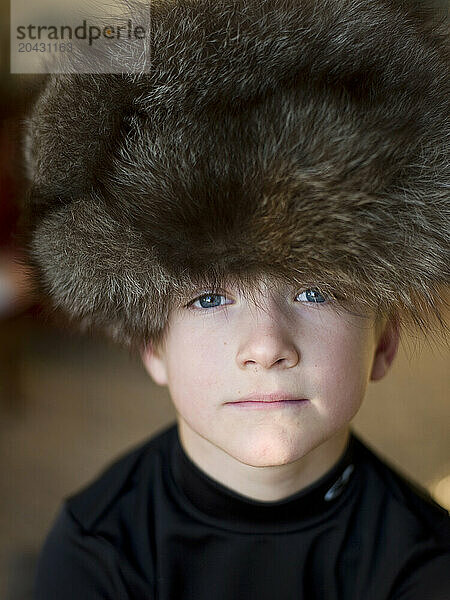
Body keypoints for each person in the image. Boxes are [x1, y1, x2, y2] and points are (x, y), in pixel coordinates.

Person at [19, 0, 449, 598]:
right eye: (208, 299)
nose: (266, 346)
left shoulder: (426, 565)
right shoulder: (94, 552)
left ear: (386, 338)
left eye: (313, 289)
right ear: (151, 344)